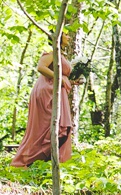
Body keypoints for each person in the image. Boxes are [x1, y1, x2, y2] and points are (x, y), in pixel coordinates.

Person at [11, 32, 75, 167]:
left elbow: (60, 75)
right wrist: (59, 78)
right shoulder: (51, 52)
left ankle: (51, 162)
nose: (69, 38)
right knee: (45, 128)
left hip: (56, 90)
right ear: (58, 36)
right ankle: (26, 161)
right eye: (66, 35)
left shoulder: (60, 54)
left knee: (59, 128)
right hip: (48, 92)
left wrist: (71, 81)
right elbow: (41, 67)